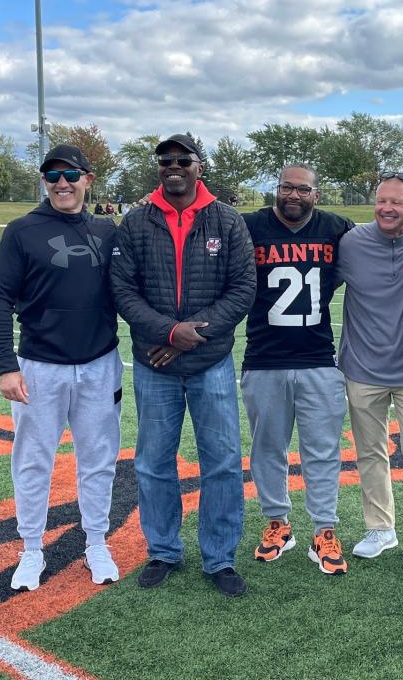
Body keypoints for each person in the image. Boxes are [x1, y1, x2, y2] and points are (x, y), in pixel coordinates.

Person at [109, 133, 256, 598]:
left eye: (182, 160)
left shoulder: (227, 220)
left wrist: (193, 333)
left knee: (224, 463)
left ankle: (220, 557)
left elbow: (242, 289)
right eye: (165, 160)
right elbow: (123, 291)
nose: (173, 166)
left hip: (210, 361)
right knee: (153, 463)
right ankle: (164, 551)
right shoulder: (135, 222)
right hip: (155, 363)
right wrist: (169, 333)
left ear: (198, 166)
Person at [0, 144, 123, 591]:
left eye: (69, 174)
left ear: (88, 178)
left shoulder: (107, 231)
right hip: (40, 367)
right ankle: (30, 549)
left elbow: (129, 293)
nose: (61, 183)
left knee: (99, 461)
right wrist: (6, 366)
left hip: (100, 364)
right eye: (51, 175)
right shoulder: (22, 231)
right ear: (43, 181)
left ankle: (96, 542)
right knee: (32, 462)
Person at [243, 163, 355, 576]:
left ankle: (324, 530)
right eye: (286, 187)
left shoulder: (337, 227)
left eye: (302, 189)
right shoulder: (250, 225)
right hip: (264, 357)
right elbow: (205, 226)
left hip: (318, 359)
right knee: (267, 448)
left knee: (322, 451)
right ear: (277, 189)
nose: (293, 195)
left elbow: (385, 237)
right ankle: (278, 524)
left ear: (316, 194)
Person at [336, 171, 403, 573]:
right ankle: (380, 528)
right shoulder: (351, 242)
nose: (387, 208)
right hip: (362, 368)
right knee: (369, 453)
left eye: (398, 202)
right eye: (382, 200)